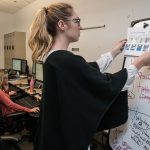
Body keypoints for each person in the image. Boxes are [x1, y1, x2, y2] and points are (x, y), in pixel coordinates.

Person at [28, 2, 150, 150]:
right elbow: (107, 85)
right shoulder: (65, 60)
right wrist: (141, 61)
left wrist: (113, 52)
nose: (80, 26)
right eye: (77, 21)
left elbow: (88, 71)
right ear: (62, 25)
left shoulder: (53, 58)